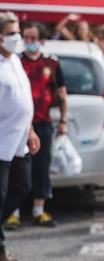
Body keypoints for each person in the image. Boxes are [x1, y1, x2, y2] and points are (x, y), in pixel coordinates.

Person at [5, 22, 68, 230]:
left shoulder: (51, 63)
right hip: (17, 127)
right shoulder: (17, 61)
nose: (28, 42)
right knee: (14, 174)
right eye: (26, 37)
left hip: (42, 123)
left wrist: (64, 121)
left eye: (33, 38)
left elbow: (61, 94)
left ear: (41, 41)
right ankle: (12, 213)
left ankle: (39, 210)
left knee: (41, 168)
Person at [0, 12, 40, 261]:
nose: (17, 38)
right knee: (0, 195)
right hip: (1, 141)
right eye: (12, 33)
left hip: (19, 139)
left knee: (22, 186)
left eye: (18, 32)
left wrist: (31, 130)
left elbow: (24, 100)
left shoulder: (14, 60)